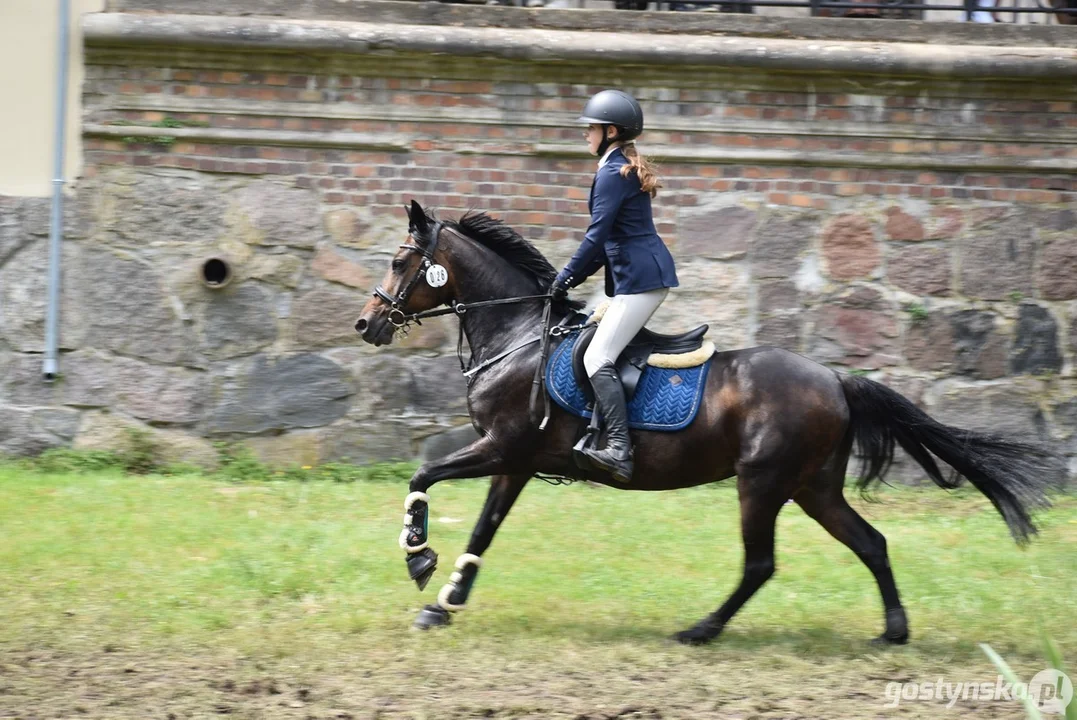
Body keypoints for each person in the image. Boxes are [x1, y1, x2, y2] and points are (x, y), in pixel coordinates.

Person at [551, 89, 679, 484]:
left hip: (641, 281)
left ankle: (620, 448)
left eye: (590, 128)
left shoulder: (611, 173)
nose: (585, 135)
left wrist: (565, 277)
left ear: (610, 131)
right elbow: (606, 243)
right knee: (590, 343)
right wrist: (574, 277)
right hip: (636, 277)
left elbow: (596, 237)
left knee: (596, 358)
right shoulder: (619, 166)